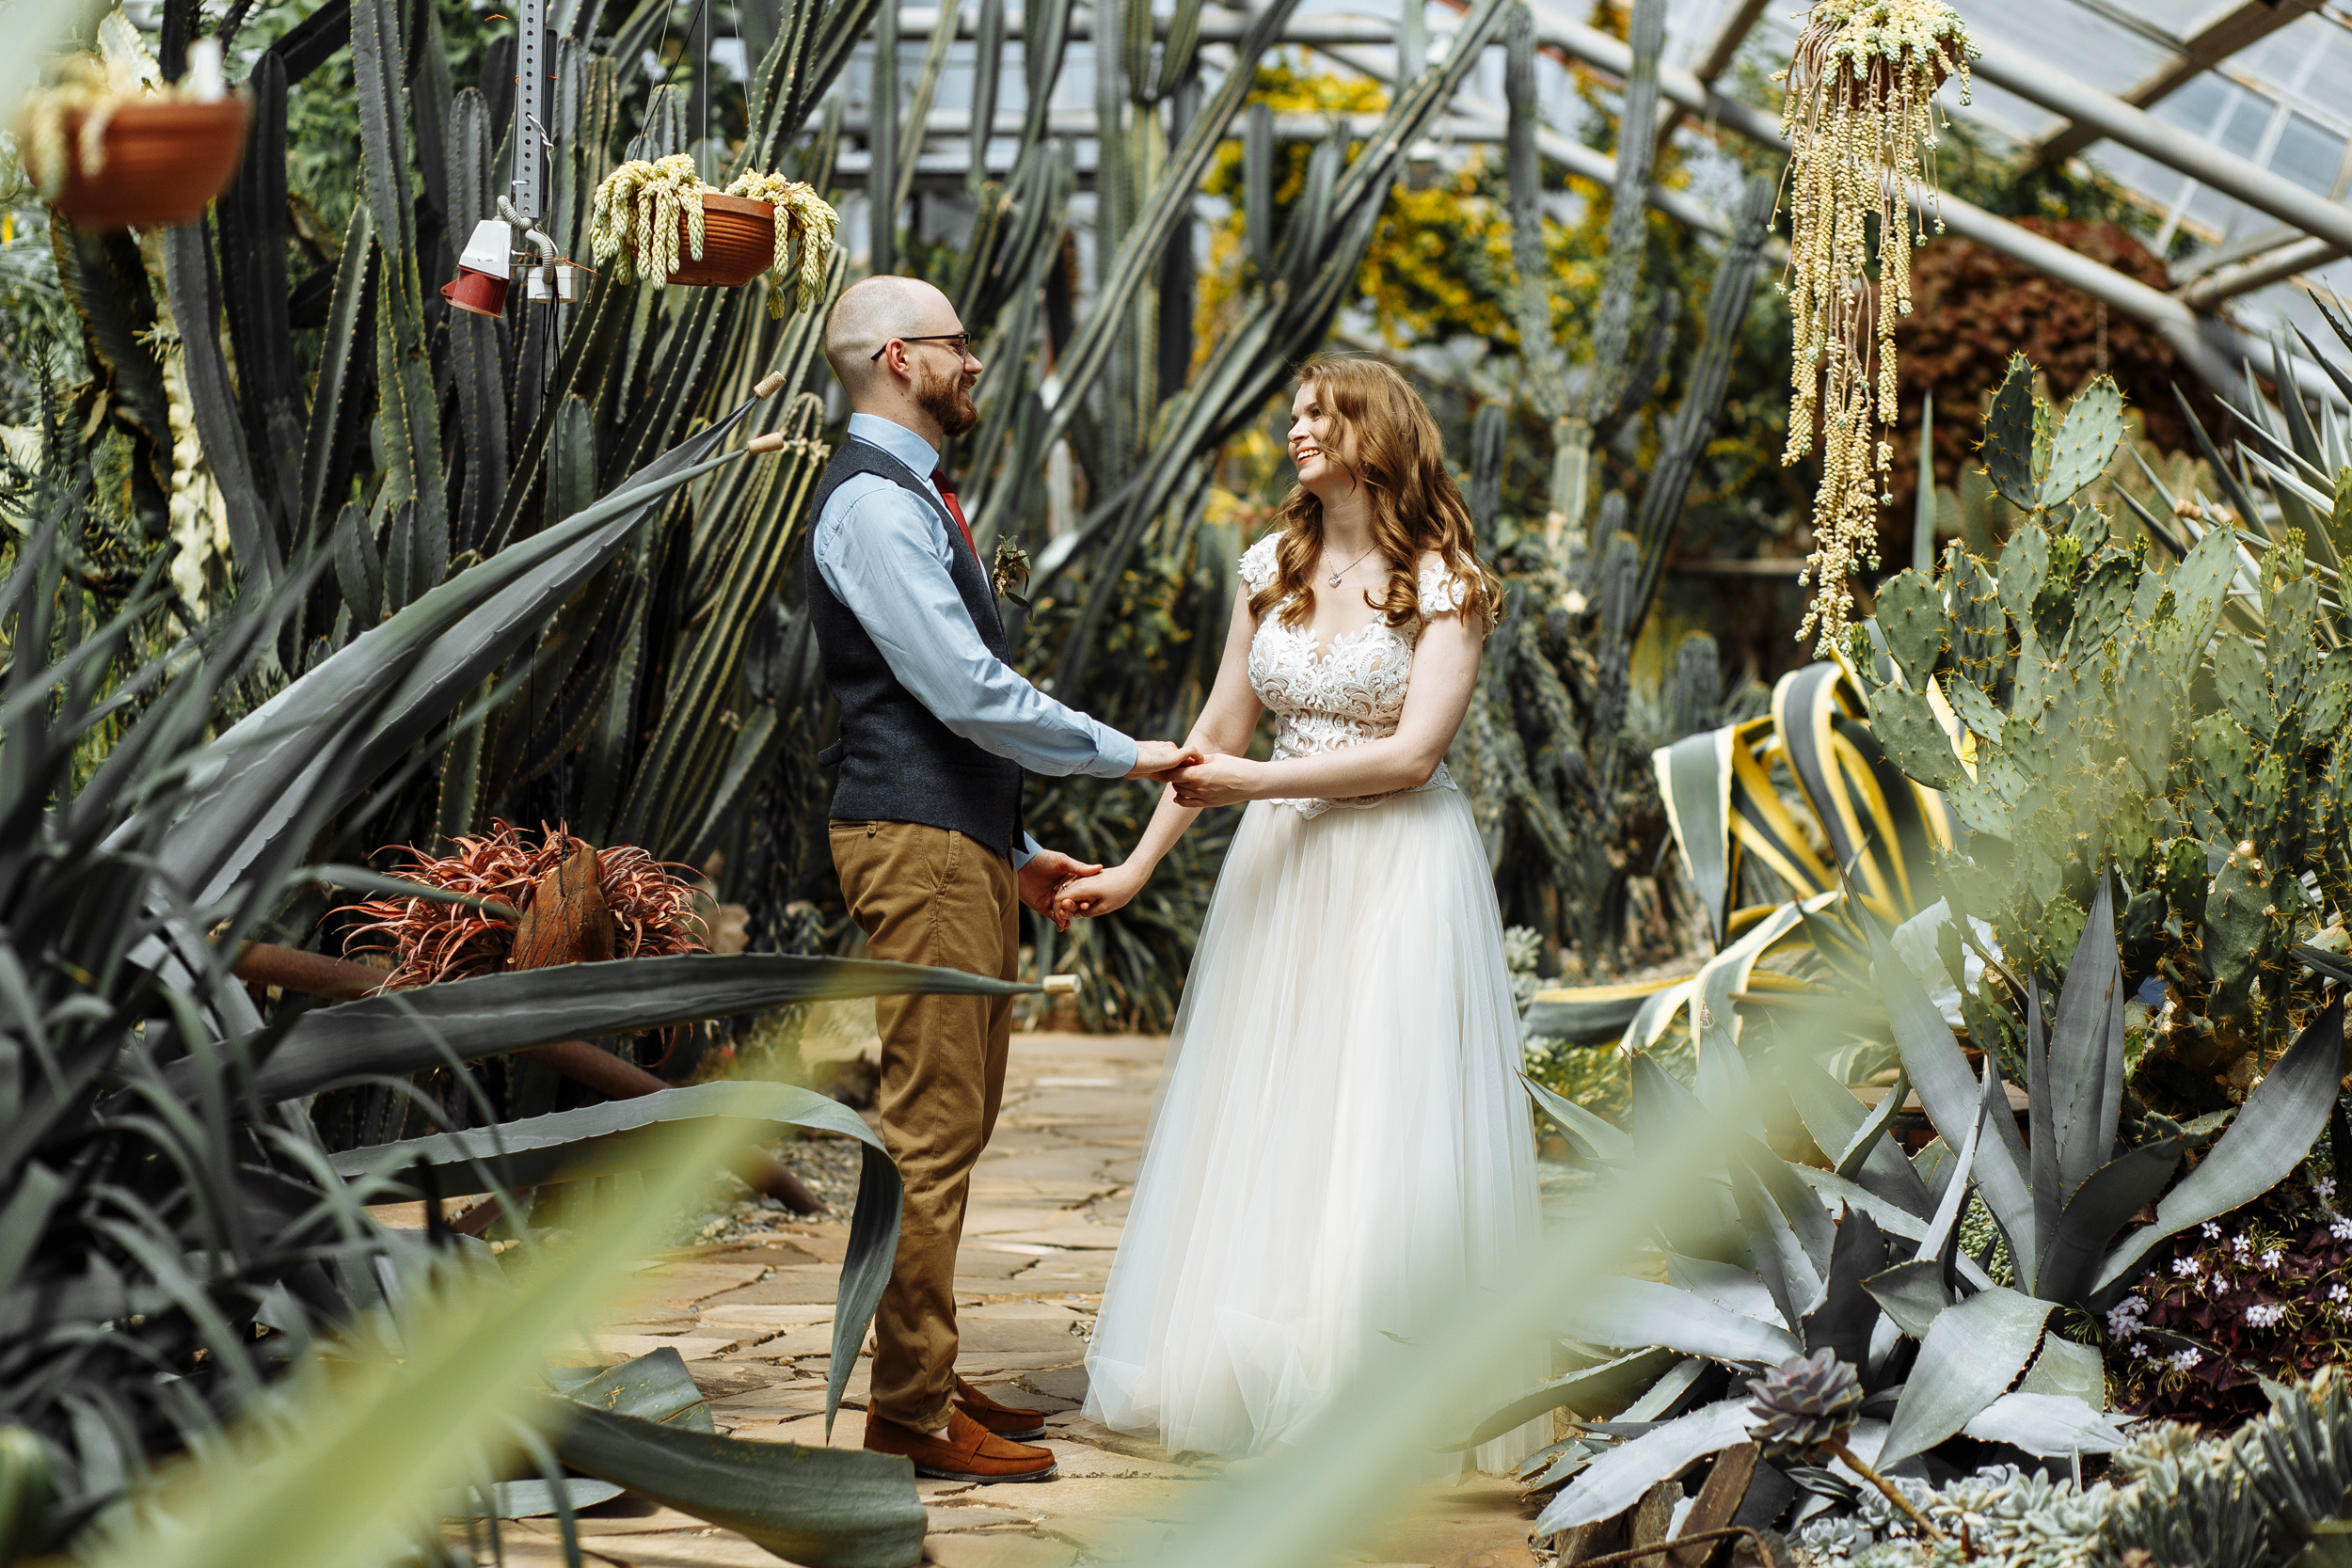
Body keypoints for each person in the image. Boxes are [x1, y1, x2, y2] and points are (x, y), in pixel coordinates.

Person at [1052, 356, 1545, 1468]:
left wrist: (1253, 790)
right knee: (1267, 1096)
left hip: (1395, 865)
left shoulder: (1446, 584)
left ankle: (1374, 1374)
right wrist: (1133, 868)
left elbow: (1415, 758)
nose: (1296, 432)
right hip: (1280, 864)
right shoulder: (1267, 565)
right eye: (1292, 417)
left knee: (1376, 1105)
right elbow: (1218, 730)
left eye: (1319, 414)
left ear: (1378, 432)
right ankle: (1250, 1355)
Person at [808, 275, 1200, 1483]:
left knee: (955, 1121)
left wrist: (1018, 852)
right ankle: (911, 1414)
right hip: (915, 847)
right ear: (892, 357)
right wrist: (1127, 753)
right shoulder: (875, 505)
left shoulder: (911, 494)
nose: (974, 362)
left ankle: (918, 1371)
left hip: (953, 845)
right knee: (930, 1131)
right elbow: (964, 691)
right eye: (955, 345)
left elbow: (944, 709)